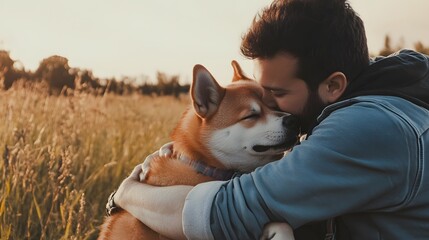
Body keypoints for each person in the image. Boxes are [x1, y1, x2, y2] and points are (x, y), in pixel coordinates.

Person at [111, 0, 429, 239]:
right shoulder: (391, 90)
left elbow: (225, 214)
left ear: (333, 85)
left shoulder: (366, 128)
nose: (272, 106)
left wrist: (128, 193)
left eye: (276, 92)